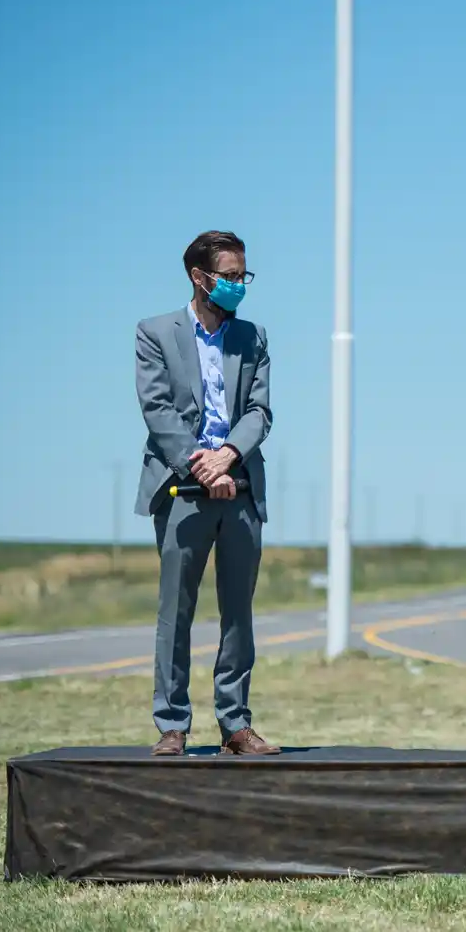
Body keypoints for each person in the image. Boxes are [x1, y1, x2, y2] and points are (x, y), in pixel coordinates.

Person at [133, 230, 278, 757]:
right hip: (181, 489)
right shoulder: (155, 333)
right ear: (201, 277)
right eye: (232, 276)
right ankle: (172, 725)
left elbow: (259, 412)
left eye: (244, 276)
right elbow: (158, 411)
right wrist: (202, 464)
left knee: (238, 611)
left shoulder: (254, 337)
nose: (240, 285)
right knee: (177, 610)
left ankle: (235, 724)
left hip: (238, 486)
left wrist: (228, 458)